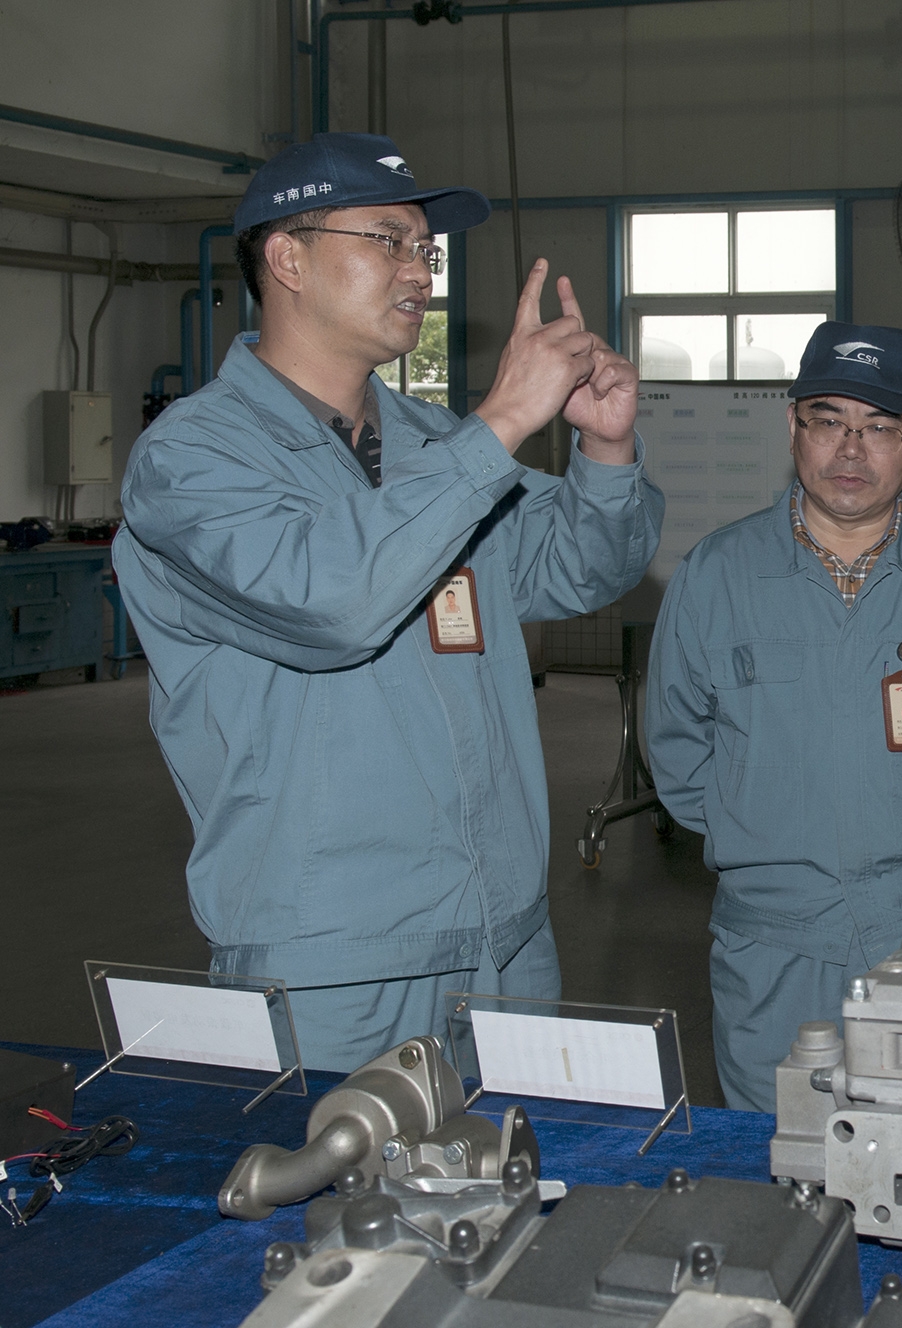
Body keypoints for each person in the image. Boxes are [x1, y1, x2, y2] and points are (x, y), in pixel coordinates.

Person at [114, 133, 665, 1071]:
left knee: (513, 1168)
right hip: (332, 959)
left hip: (502, 939)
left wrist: (606, 452)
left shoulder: (433, 444)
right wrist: (501, 423)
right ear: (288, 259)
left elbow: (578, 569)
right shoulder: (193, 458)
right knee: (335, 1173)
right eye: (387, 241)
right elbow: (331, 605)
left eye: (425, 250)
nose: (419, 271)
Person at [647, 321, 902, 1112]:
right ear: (793, 427)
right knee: (782, 1159)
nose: (851, 449)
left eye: (879, 427)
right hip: (774, 946)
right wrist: (766, 839)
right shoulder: (717, 577)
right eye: (828, 421)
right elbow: (678, 748)